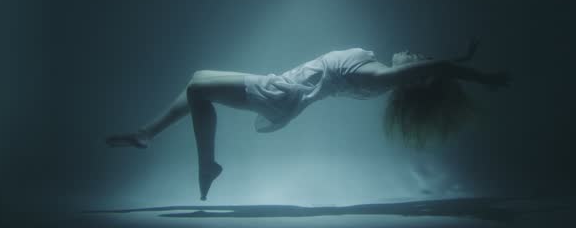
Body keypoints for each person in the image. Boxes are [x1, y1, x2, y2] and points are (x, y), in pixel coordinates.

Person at [105, 41, 510, 200]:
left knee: (198, 87)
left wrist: (481, 76)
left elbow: (434, 68)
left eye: (417, 58)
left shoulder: (378, 77)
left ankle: (205, 163)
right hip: (282, 92)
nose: (411, 50)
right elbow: (435, 68)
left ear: (415, 77)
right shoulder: (379, 74)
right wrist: (461, 62)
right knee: (197, 82)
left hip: (281, 93)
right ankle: (146, 133)